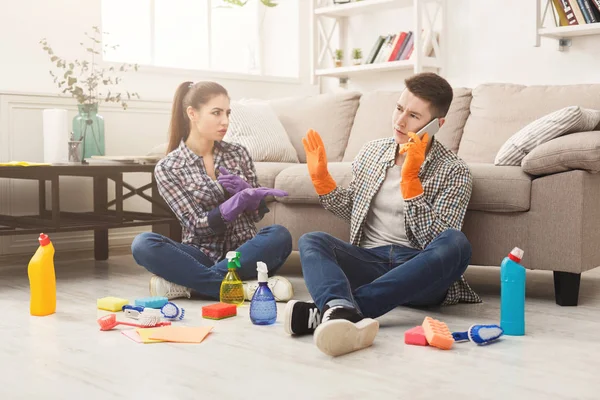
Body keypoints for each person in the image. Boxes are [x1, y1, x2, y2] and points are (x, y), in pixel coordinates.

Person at [284, 72, 482, 357]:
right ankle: (342, 310)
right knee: (312, 240)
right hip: (369, 261)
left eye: (413, 115)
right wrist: (323, 183)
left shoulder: (454, 171)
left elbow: (438, 242)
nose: (400, 121)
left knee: (457, 243)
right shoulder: (372, 153)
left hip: (417, 272)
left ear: (437, 125)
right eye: (399, 108)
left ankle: (338, 309)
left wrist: (411, 183)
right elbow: (352, 207)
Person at [131, 81, 294, 302]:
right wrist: (230, 206)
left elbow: (256, 216)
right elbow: (195, 225)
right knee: (143, 244)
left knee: (279, 235)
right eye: (216, 113)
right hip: (201, 255)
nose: (225, 121)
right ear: (192, 114)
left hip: (244, 252)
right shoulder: (169, 167)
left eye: (227, 113)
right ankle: (243, 288)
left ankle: (192, 285)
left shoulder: (238, 153)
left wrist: (251, 196)